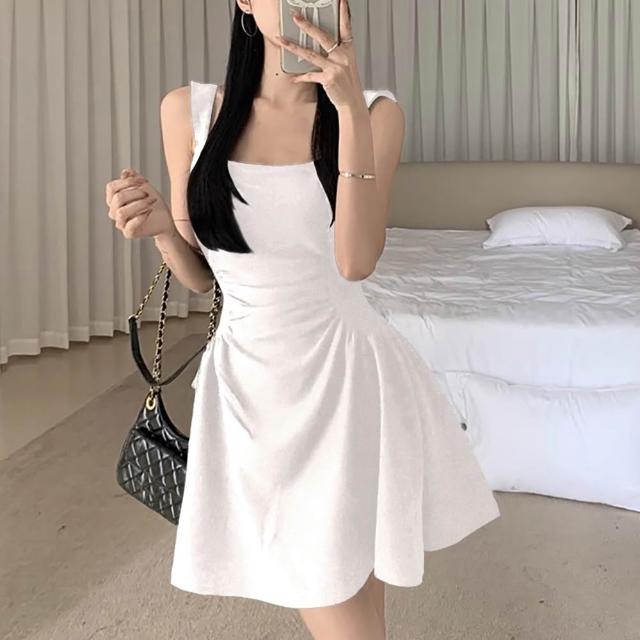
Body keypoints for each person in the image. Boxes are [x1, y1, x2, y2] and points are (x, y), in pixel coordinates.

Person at [105, 1, 501, 638]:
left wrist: (348, 111)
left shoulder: (375, 114)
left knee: (351, 602)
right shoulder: (188, 111)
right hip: (248, 389)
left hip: (348, 383)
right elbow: (205, 275)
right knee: (338, 595)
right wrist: (159, 229)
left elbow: (355, 262)